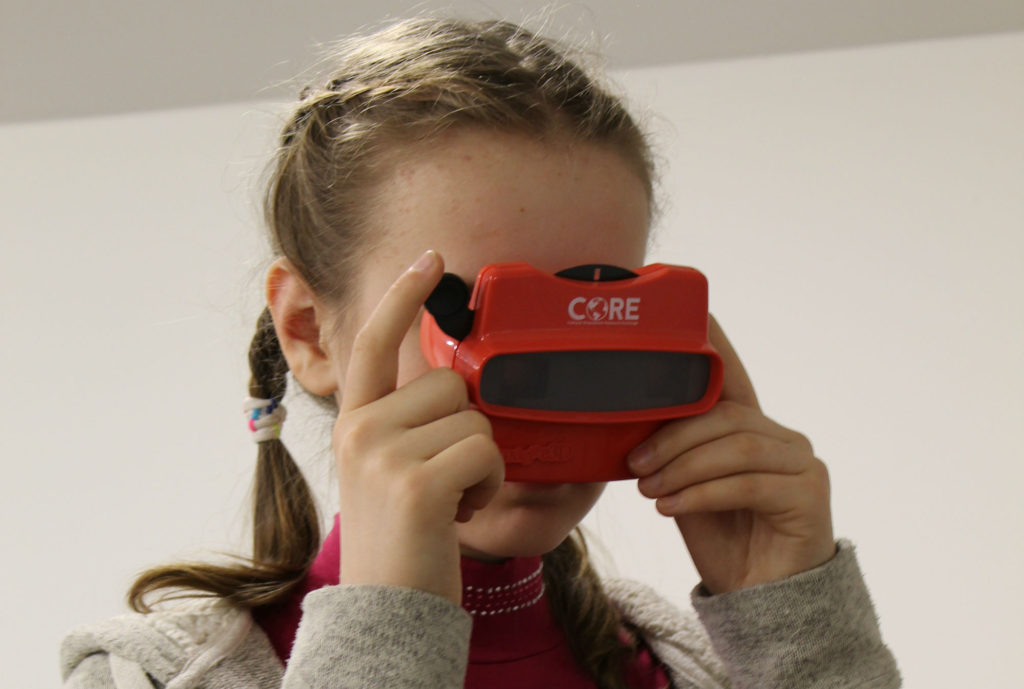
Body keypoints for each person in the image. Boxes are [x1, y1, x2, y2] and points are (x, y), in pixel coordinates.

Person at [60, 17, 900, 689]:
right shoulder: (151, 673)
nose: (538, 378)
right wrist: (388, 628)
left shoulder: (693, 666)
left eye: (592, 311)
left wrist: (800, 638)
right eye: (470, 311)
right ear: (310, 331)